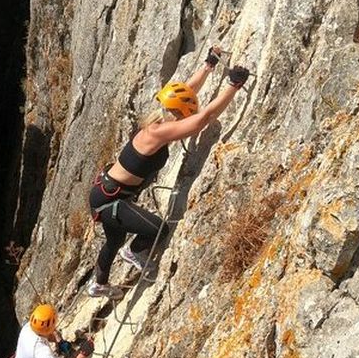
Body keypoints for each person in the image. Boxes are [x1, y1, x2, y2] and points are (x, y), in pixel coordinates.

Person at [87, 48, 250, 298]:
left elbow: (183, 93)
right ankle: (135, 253)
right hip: (111, 200)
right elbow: (203, 118)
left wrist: (208, 65)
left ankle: (99, 284)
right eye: (182, 114)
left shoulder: (158, 122)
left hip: (105, 194)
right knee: (158, 230)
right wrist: (233, 85)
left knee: (113, 240)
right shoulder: (157, 133)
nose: (186, 115)